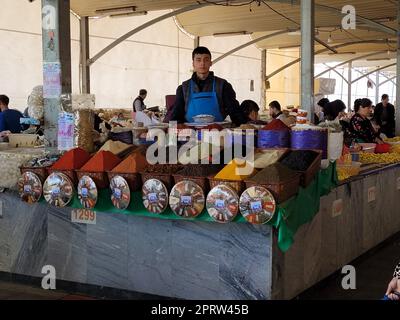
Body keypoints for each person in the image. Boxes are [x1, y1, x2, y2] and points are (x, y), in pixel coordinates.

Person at [170, 46, 245, 126]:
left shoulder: (223, 85)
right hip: (190, 134)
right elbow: (176, 117)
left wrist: (243, 127)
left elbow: (235, 111)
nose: (202, 63)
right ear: (193, 63)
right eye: (198, 60)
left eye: (206, 60)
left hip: (218, 133)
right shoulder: (183, 88)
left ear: (210, 63)